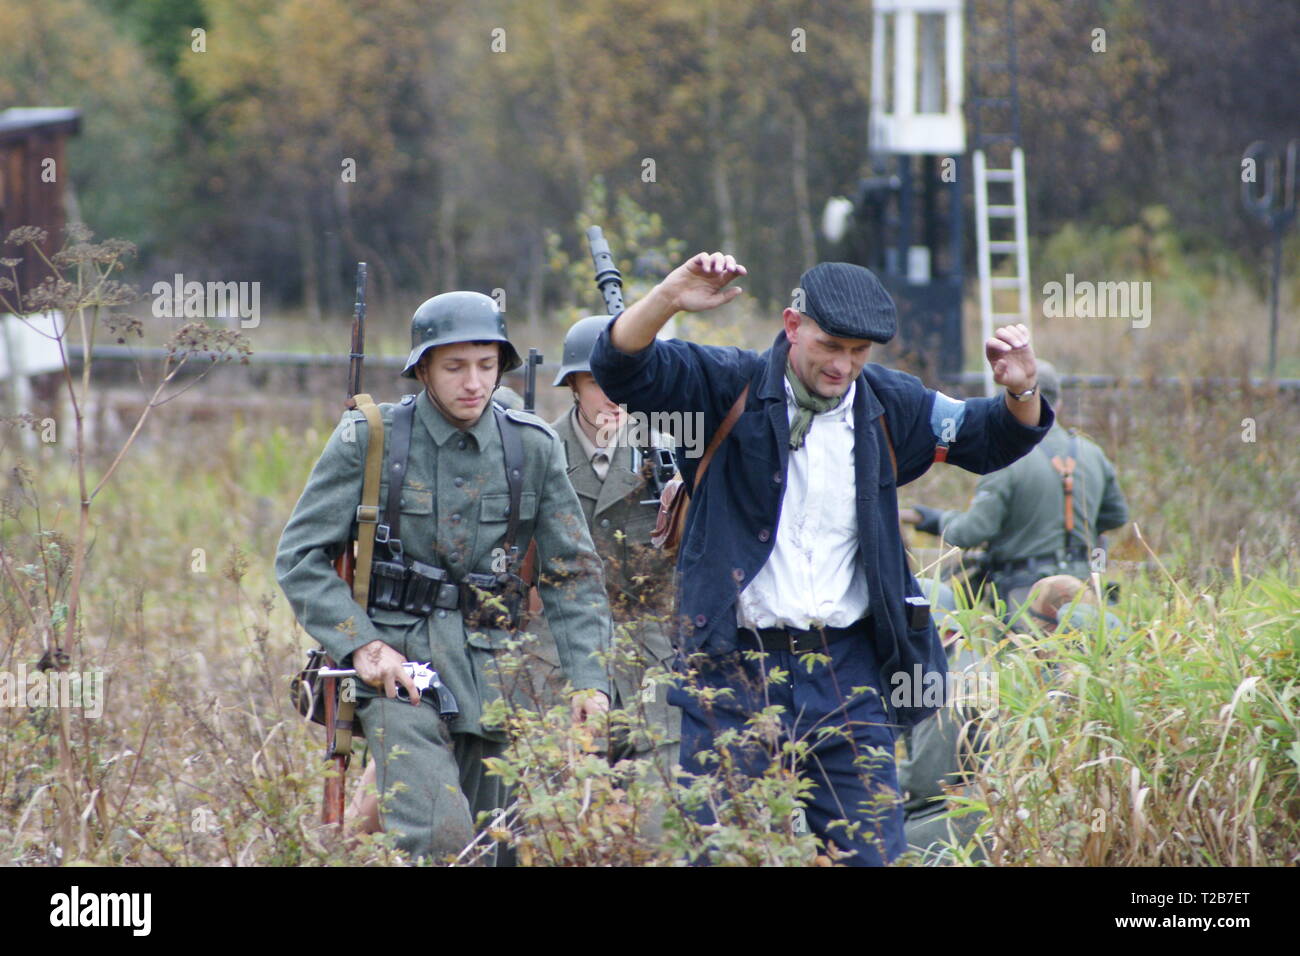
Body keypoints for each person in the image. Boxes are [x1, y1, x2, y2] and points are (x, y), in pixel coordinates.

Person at [589, 252, 1054, 865]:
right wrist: (669, 297)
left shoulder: (891, 406)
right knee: (716, 852)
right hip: (732, 669)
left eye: (859, 351)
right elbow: (623, 368)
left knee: (869, 854)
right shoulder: (726, 387)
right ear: (791, 326)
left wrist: (1021, 387)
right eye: (830, 345)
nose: (842, 365)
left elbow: (989, 434)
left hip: (847, 673)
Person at [276, 291, 611, 862]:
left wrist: (590, 680)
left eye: (486, 366)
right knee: (439, 837)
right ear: (423, 368)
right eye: (454, 367)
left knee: (495, 850)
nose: (473, 383)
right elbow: (300, 556)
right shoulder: (371, 438)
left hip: (499, 675)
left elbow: (572, 573)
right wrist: (362, 644)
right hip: (400, 672)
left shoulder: (533, 446)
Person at [549, 314, 681, 774]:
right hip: (560, 658)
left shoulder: (670, 452)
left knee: (660, 819)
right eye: (596, 381)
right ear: (573, 386)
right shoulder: (536, 452)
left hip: (653, 659)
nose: (611, 396)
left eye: (621, 381)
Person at [902, 361, 1129, 618]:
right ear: (1060, 403)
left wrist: (937, 521)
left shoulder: (1006, 457)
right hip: (1082, 590)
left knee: (1020, 654)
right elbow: (1115, 517)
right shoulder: (1092, 453)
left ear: (1011, 402)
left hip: (1025, 595)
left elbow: (971, 532)